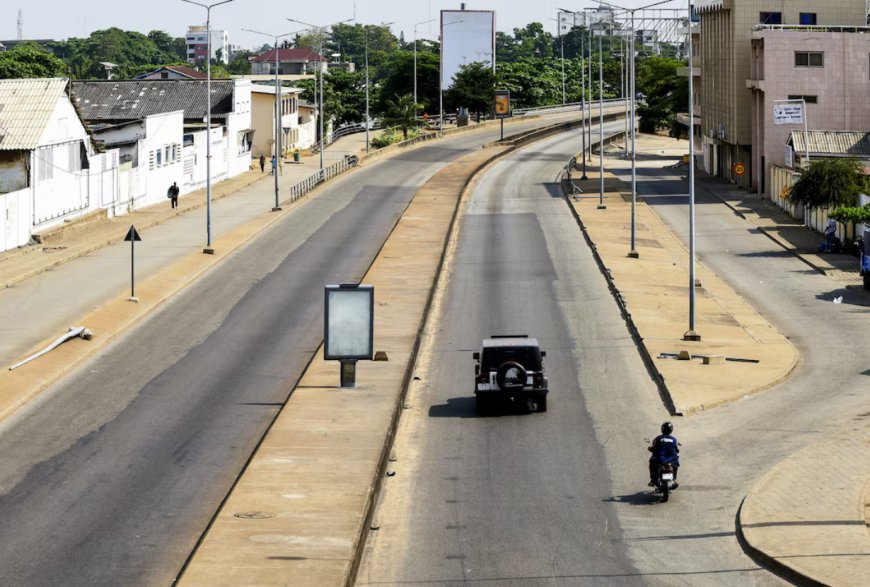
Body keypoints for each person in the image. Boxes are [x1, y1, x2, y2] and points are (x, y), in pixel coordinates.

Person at [648, 421, 680, 488]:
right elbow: (676, 450)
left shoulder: (658, 438)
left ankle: (653, 480)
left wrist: (650, 449)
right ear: (671, 430)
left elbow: (653, 447)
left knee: (652, 462)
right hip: (671, 459)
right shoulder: (674, 439)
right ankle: (674, 479)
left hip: (660, 458)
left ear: (662, 429)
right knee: (675, 465)